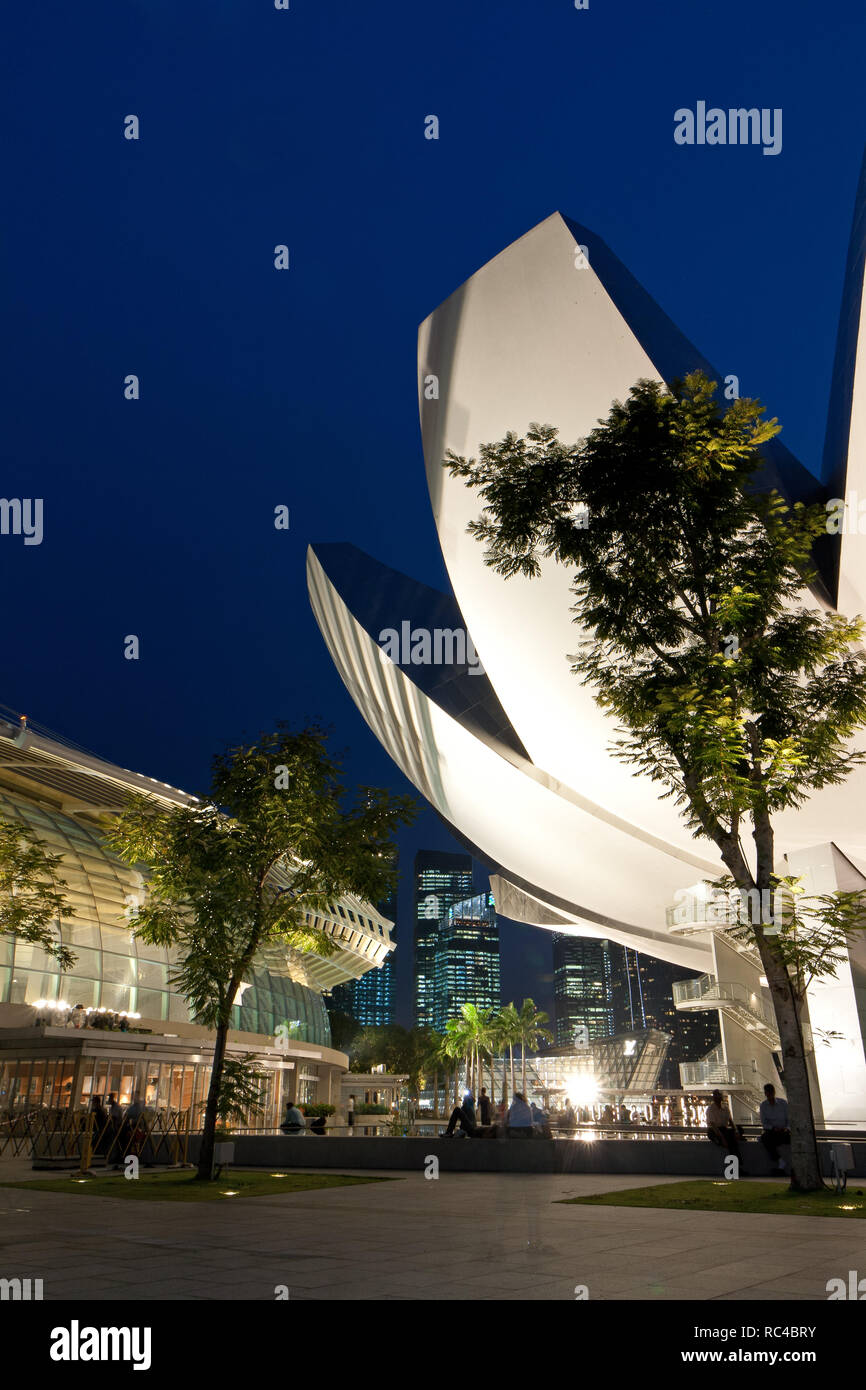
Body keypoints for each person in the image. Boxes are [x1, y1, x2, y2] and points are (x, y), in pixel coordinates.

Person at [706, 1090, 745, 1168]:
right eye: (716, 1096)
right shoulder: (711, 1109)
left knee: (739, 1130)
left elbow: (730, 1121)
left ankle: (736, 1165)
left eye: (719, 1096)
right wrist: (722, 1138)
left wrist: (736, 1131)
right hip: (714, 1131)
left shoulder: (725, 1108)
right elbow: (713, 1126)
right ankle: (737, 1165)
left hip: (724, 1129)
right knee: (731, 1142)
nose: (718, 1098)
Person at [759, 1083, 791, 1174]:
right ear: (765, 1093)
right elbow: (764, 1123)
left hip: (784, 1131)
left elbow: (789, 1120)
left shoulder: (783, 1103)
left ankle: (782, 1164)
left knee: (769, 1140)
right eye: (767, 1093)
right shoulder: (763, 1106)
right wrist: (773, 1128)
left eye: (771, 1092)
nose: (769, 1095)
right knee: (765, 1138)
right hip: (773, 1132)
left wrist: (787, 1128)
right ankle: (780, 1161)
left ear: (774, 1092)